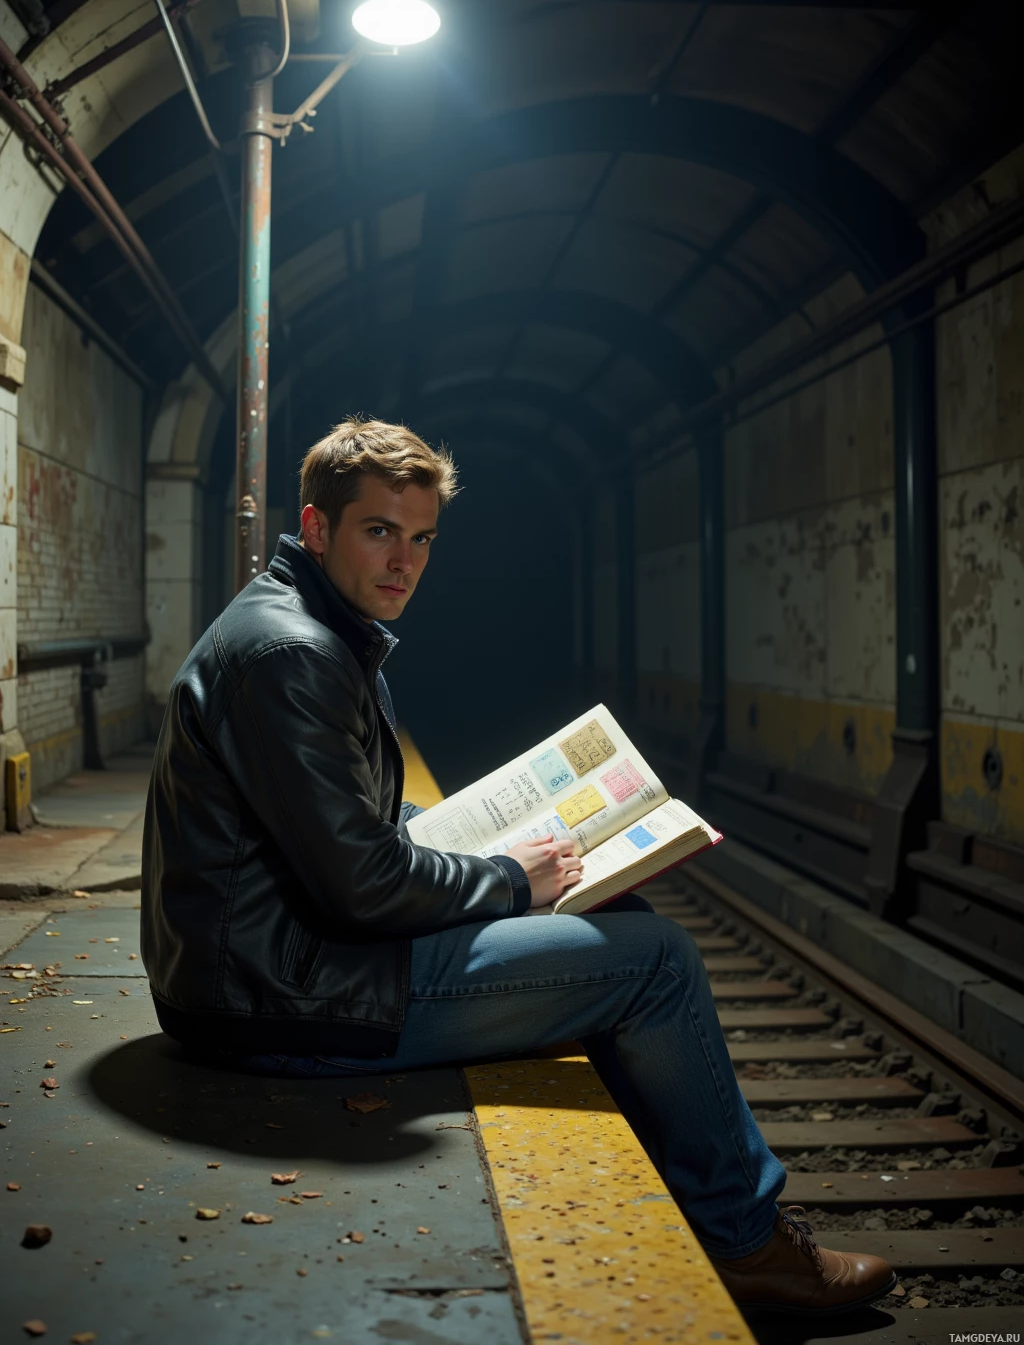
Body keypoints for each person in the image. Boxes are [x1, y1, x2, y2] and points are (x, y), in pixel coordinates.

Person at [142, 417, 896, 1316]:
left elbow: (347, 824)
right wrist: (510, 878)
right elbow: (362, 884)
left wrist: (477, 843)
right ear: (316, 527)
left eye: (421, 538)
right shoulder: (294, 655)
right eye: (379, 531)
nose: (405, 561)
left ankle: (704, 1208)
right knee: (657, 966)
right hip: (278, 998)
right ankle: (748, 1246)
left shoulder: (311, 627)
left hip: (270, 966)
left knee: (626, 928)